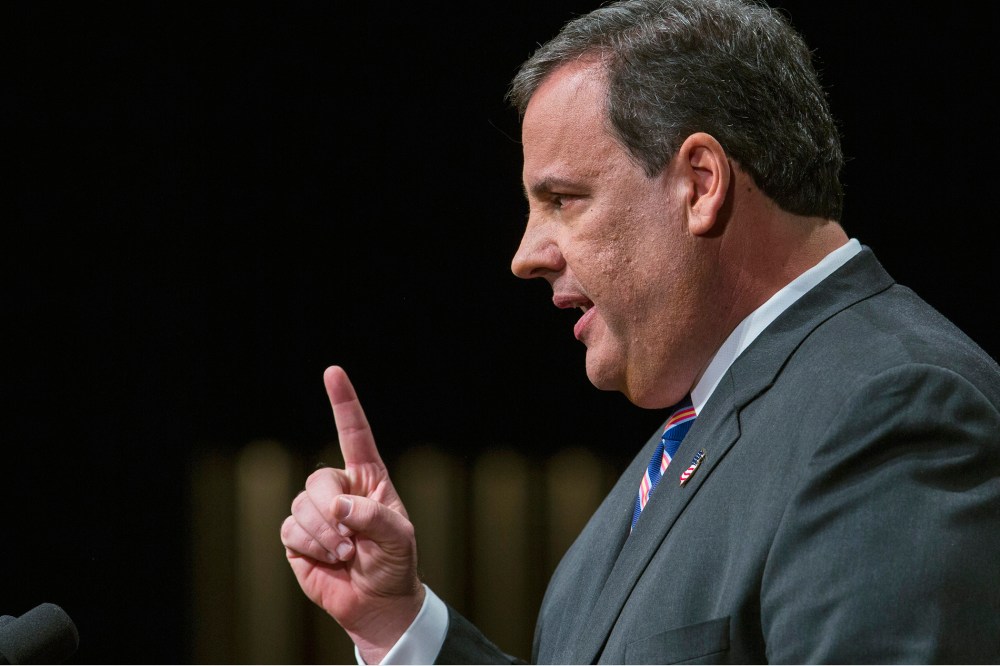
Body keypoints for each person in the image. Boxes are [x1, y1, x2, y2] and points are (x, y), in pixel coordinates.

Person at [280, 0, 1000, 662]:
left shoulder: (895, 408)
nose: (526, 255)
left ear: (700, 183)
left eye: (563, 200)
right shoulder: (689, 443)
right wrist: (398, 623)